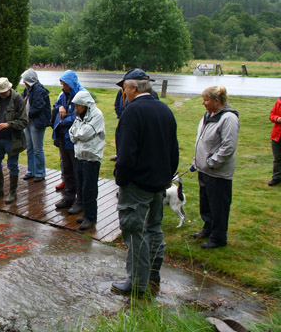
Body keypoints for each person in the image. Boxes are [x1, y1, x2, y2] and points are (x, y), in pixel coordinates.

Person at [111, 69, 179, 296]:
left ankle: (137, 282)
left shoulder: (132, 112)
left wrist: (121, 179)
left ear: (133, 88)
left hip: (137, 184)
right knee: (154, 228)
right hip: (159, 183)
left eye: (124, 89)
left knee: (134, 231)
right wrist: (166, 177)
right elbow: (173, 150)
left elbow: (126, 153)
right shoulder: (164, 109)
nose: (123, 93)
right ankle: (152, 273)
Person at [192, 86, 240, 249]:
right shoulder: (208, 115)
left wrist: (212, 162)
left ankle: (219, 238)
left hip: (217, 172)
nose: (203, 103)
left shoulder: (228, 119)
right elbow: (202, 141)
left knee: (219, 205)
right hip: (204, 169)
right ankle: (208, 228)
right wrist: (197, 161)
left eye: (206, 100)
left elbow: (228, 146)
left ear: (217, 100)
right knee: (206, 202)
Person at [0, 77, 28, 204]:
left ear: (9, 89)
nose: (1, 94)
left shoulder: (18, 100)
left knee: (12, 165)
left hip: (12, 140)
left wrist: (9, 124)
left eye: (3, 92)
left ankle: (12, 193)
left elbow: (24, 121)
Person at [69, 90, 105, 230]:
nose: (77, 108)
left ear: (86, 104)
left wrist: (77, 134)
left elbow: (85, 133)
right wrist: (77, 134)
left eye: (79, 105)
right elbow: (72, 133)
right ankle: (85, 213)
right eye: (76, 105)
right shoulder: (79, 116)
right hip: (79, 155)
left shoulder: (97, 115)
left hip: (91, 158)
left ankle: (91, 217)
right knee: (81, 187)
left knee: (89, 188)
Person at [52, 70, 86, 212]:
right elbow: (56, 107)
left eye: (65, 84)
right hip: (63, 137)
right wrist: (59, 107)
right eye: (62, 84)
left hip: (75, 139)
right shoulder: (63, 94)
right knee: (67, 169)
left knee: (77, 170)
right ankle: (68, 197)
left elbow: (80, 116)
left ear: (71, 83)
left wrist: (63, 122)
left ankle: (80, 201)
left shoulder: (82, 95)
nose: (63, 86)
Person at [21, 68, 51, 183]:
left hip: (36, 123)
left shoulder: (38, 89)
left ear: (29, 80)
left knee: (38, 149)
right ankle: (30, 171)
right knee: (29, 148)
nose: (24, 82)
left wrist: (26, 114)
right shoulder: (28, 89)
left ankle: (40, 173)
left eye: (25, 80)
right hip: (28, 123)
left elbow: (38, 107)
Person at [269, 95, 281, 186]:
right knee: (277, 158)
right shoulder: (279, 102)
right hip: (277, 135)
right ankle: (276, 177)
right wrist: (277, 119)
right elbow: (272, 115)